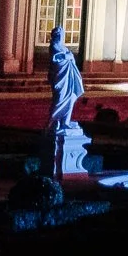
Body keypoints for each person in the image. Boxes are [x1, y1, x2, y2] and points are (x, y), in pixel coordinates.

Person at [45, 24, 85, 173]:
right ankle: (51, 123)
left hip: (69, 80)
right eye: (59, 33)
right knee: (60, 100)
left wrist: (68, 57)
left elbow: (68, 58)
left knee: (71, 99)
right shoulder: (54, 46)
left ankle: (65, 123)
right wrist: (68, 56)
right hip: (61, 80)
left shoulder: (61, 46)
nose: (61, 35)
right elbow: (57, 61)